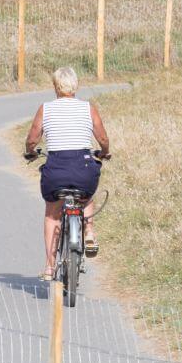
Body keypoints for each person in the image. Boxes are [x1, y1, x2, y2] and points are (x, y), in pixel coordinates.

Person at [24, 67, 110, 281]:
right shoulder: (88, 108)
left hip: (56, 170)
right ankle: (89, 231)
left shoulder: (46, 109)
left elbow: (32, 139)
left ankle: (49, 267)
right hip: (83, 167)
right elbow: (103, 138)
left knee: (52, 215)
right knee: (86, 192)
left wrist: (30, 152)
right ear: (76, 86)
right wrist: (105, 153)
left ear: (55, 87)